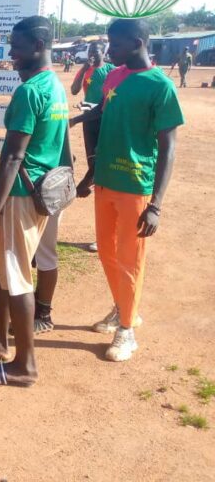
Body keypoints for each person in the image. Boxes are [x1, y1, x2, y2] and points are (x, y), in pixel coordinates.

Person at [73, 18, 184, 361]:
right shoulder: (114, 76)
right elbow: (104, 116)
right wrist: (71, 123)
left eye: (115, 43)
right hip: (106, 180)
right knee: (107, 253)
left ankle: (127, 331)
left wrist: (156, 205)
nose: (109, 50)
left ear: (137, 41)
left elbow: (168, 147)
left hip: (135, 185)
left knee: (130, 259)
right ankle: (124, 308)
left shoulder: (160, 86)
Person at [0, 16, 68, 387]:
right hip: (38, 193)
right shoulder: (54, 86)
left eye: (17, 46)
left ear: (38, 46)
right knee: (2, 272)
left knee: (17, 276)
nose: (11, 53)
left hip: (22, 197)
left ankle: (25, 366)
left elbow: (11, 157)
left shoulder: (29, 92)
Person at [70, 41, 115, 252]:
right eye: (90, 52)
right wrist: (82, 69)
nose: (92, 55)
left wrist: (77, 118)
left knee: (99, 165)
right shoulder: (87, 70)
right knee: (93, 162)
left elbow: (106, 104)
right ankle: (86, 183)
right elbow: (74, 90)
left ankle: (83, 186)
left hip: (103, 120)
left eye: (96, 52)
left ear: (103, 52)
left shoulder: (111, 71)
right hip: (88, 119)